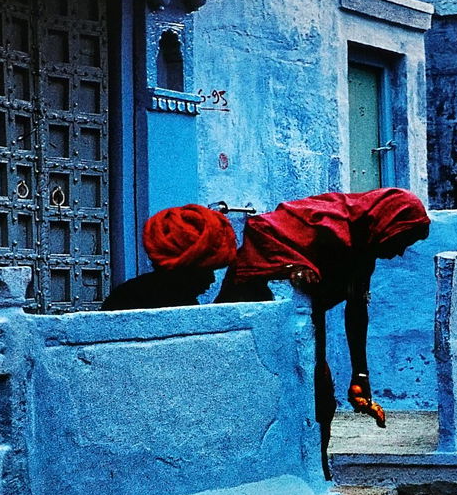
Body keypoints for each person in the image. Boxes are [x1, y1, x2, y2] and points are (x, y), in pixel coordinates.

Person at [215, 187, 431, 478]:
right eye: (402, 240)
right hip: (253, 318)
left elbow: (356, 308)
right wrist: (293, 264)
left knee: (322, 398)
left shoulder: (362, 247)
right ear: (387, 223)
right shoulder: (328, 221)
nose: (400, 251)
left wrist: (360, 378)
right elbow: (263, 226)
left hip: (305, 326)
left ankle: (318, 476)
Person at [101, 204, 237, 310]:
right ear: (183, 271)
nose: (212, 280)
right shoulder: (129, 299)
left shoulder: (126, 294)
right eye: (205, 270)